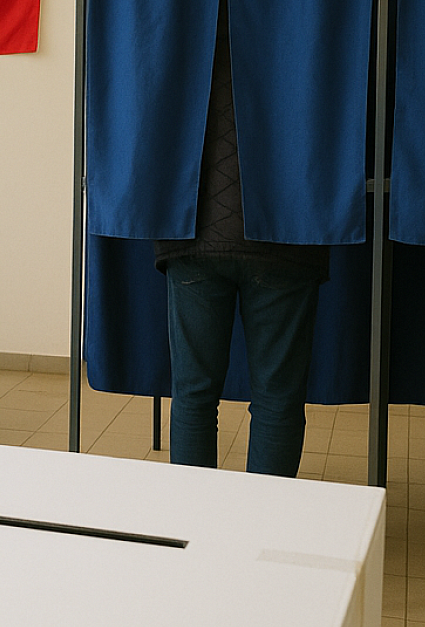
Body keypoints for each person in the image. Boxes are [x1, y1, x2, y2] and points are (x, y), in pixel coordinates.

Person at [154, 0, 329, 478]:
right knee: (277, 397)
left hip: (193, 232)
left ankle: (194, 515)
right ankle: (264, 516)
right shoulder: (310, 24)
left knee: (194, 394)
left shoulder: (180, 24)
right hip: (287, 232)